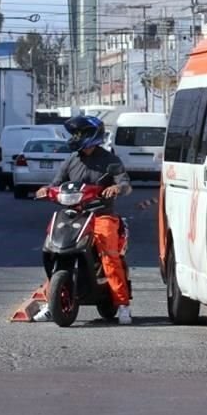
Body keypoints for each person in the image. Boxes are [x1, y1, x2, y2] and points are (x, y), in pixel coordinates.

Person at [33, 115, 134, 324]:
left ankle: (123, 304)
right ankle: (51, 304)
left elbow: (125, 184)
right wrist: (46, 190)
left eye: (80, 133)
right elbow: (56, 184)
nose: (76, 137)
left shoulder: (110, 160)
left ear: (92, 135)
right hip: (73, 215)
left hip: (101, 215)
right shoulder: (72, 159)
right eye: (75, 134)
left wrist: (117, 187)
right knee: (54, 250)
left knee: (109, 256)